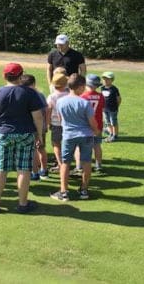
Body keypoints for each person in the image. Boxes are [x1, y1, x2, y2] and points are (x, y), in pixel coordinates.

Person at [0, 63, 44, 214]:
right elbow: (38, 116)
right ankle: (23, 204)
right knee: (24, 169)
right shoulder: (30, 93)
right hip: (25, 134)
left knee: (1, 168)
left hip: (5, 134)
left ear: (4, 76)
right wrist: (39, 135)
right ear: (21, 75)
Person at [51, 74, 100, 202]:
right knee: (86, 162)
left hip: (68, 135)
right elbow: (92, 121)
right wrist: (96, 131)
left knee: (65, 162)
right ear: (80, 87)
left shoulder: (60, 101)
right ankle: (84, 190)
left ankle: (63, 192)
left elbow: (61, 119)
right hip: (86, 135)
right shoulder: (84, 103)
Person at [20, 74, 49, 180]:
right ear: (34, 83)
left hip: (30, 126)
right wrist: (46, 123)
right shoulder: (40, 94)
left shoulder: (24, 96)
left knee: (32, 150)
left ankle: (35, 172)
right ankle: (44, 170)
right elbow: (46, 110)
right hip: (41, 126)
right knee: (41, 148)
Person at [81, 74, 105, 172]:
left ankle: (84, 165)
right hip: (98, 124)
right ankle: (98, 165)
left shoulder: (83, 96)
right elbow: (102, 108)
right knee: (97, 145)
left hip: (86, 125)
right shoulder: (101, 96)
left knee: (85, 146)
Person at [46, 72, 69, 173]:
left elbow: (48, 111)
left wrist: (48, 123)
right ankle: (67, 163)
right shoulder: (69, 95)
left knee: (56, 144)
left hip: (55, 124)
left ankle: (60, 164)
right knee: (67, 144)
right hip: (68, 124)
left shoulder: (52, 97)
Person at [100, 72, 121, 142]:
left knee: (113, 122)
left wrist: (116, 106)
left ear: (112, 80)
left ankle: (115, 135)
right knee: (107, 122)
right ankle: (111, 134)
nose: (105, 80)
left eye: (107, 79)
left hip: (112, 109)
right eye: (104, 79)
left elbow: (119, 99)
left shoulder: (114, 89)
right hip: (105, 108)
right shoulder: (102, 88)